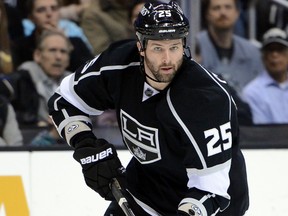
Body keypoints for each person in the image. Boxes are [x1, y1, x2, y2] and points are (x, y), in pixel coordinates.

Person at [48, 1, 249, 215]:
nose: (167, 59)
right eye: (157, 48)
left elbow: (212, 192)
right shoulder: (118, 65)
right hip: (145, 191)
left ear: (184, 44)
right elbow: (63, 101)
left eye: (174, 47)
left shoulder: (207, 100)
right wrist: (86, 145)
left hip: (211, 205)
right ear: (140, 47)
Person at [197, 0, 264, 94]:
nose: (223, 13)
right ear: (207, 14)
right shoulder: (195, 45)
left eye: (228, 7)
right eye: (216, 8)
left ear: (237, 13)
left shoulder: (252, 52)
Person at [9, 30, 72, 126]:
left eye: (63, 51)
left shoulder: (74, 82)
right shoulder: (22, 78)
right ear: (37, 55)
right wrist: (35, 122)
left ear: (68, 59)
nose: (59, 57)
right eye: (52, 50)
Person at [12, 0, 93, 72]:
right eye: (41, 10)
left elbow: (89, 72)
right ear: (31, 17)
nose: (49, 14)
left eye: (54, 8)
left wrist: (63, 42)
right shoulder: (19, 46)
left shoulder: (76, 43)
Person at [242, 28, 288, 124]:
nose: (275, 55)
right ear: (263, 57)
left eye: (280, 50)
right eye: (270, 50)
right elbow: (263, 133)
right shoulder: (252, 92)